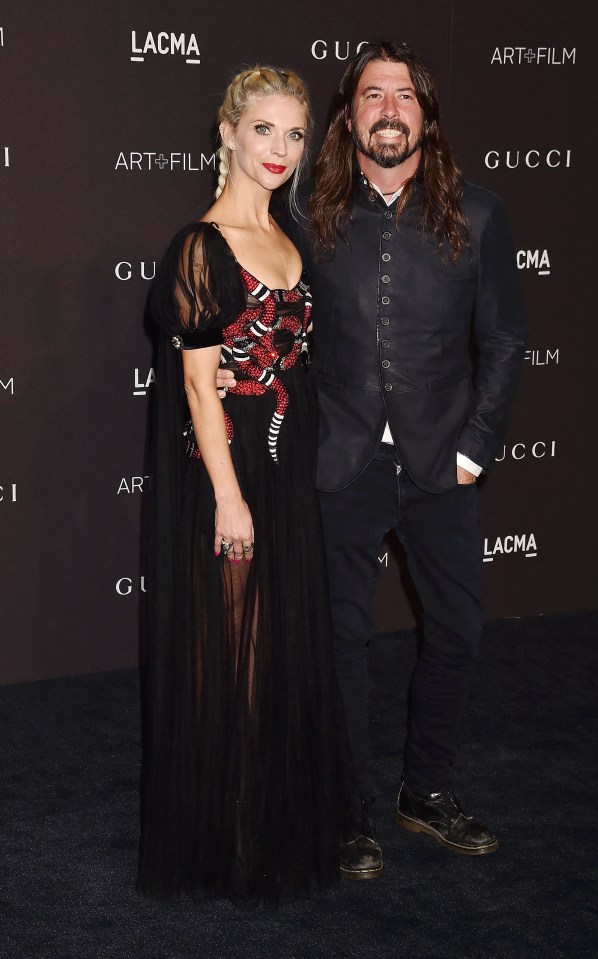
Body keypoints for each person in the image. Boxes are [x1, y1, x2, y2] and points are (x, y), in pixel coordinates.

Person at [218, 40, 526, 880]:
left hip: (440, 464)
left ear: (425, 113)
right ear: (348, 115)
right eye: (370, 96)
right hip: (338, 463)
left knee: (458, 630)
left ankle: (423, 792)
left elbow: (503, 340)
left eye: (403, 96)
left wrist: (475, 449)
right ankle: (347, 809)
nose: (387, 109)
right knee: (339, 641)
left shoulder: (481, 211)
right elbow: (266, 313)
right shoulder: (305, 212)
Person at [137, 66, 352, 903]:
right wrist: (229, 497)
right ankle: (225, 833)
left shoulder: (289, 239)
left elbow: (288, 361)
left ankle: (265, 819)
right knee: (235, 647)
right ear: (226, 133)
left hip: (286, 462)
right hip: (228, 472)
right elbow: (197, 386)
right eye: (263, 129)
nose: (280, 149)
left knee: (278, 648)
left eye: (294, 134)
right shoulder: (201, 244)